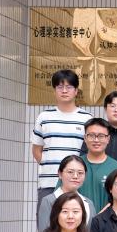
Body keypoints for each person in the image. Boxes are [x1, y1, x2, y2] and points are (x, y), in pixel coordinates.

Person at [32, 69, 91, 207]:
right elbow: (36, 150)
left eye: (69, 87)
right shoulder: (44, 117)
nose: (64, 90)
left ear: (76, 91)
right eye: (60, 86)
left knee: (77, 219)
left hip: (77, 184)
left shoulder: (87, 119)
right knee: (47, 220)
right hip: (49, 183)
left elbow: (90, 152)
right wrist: (51, 168)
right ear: (54, 90)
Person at [37, 156, 96, 232]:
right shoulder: (49, 201)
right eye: (70, 172)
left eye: (80, 173)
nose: (75, 176)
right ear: (60, 174)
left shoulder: (89, 203)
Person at [76, 118, 117, 211]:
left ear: (108, 139)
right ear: (85, 138)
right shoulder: (74, 165)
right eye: (91, 135)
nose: (96, 140)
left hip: (107, 219)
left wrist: (101, 217)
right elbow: (61, 195)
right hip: (77, 219)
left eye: (101, 136)